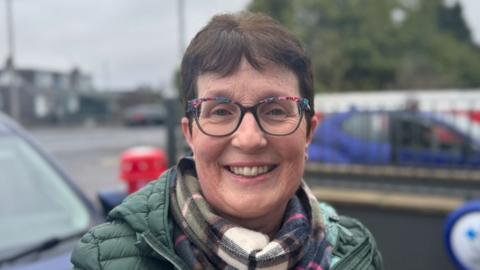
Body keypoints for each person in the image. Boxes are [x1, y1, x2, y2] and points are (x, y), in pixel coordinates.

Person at [71, 12, 383, 270]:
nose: (249, 139)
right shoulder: (102, 261)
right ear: (190, 134)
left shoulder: (357, 253)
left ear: (308, 133)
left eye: (275, 110)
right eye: (220, 111)